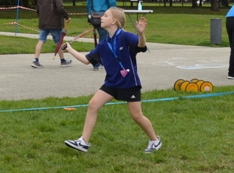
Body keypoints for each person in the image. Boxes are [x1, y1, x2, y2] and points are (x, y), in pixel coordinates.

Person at [62, 8, 161, 154]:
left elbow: (141, 46)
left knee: (137, 116)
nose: (101, 18)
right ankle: (83, 142)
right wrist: (70, 49)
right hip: (111, 83)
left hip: (129, 84)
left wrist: (140, 33)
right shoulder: (104, 43)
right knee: (93, 105)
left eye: (106, 16)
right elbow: (86, 60)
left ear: (114, 21)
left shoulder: (126, 36)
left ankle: (155, 140)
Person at [32, 0, 71, 69]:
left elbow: (38, 8)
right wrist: (67, 17)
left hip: (43, 22)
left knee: (41, 40)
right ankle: (63, 60)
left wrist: (41, 17)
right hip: (55, 23)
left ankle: (35, 60)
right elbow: (60, 7)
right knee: (59, 42)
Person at [86, 0, 118, 69]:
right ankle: (95, 61)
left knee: (104, 38)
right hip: (105, 16)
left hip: (94, 16)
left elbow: (88, 4)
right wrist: (115, 14)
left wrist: (89, 16)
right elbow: (112, 3)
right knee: (104, 39)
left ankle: (104, 60)